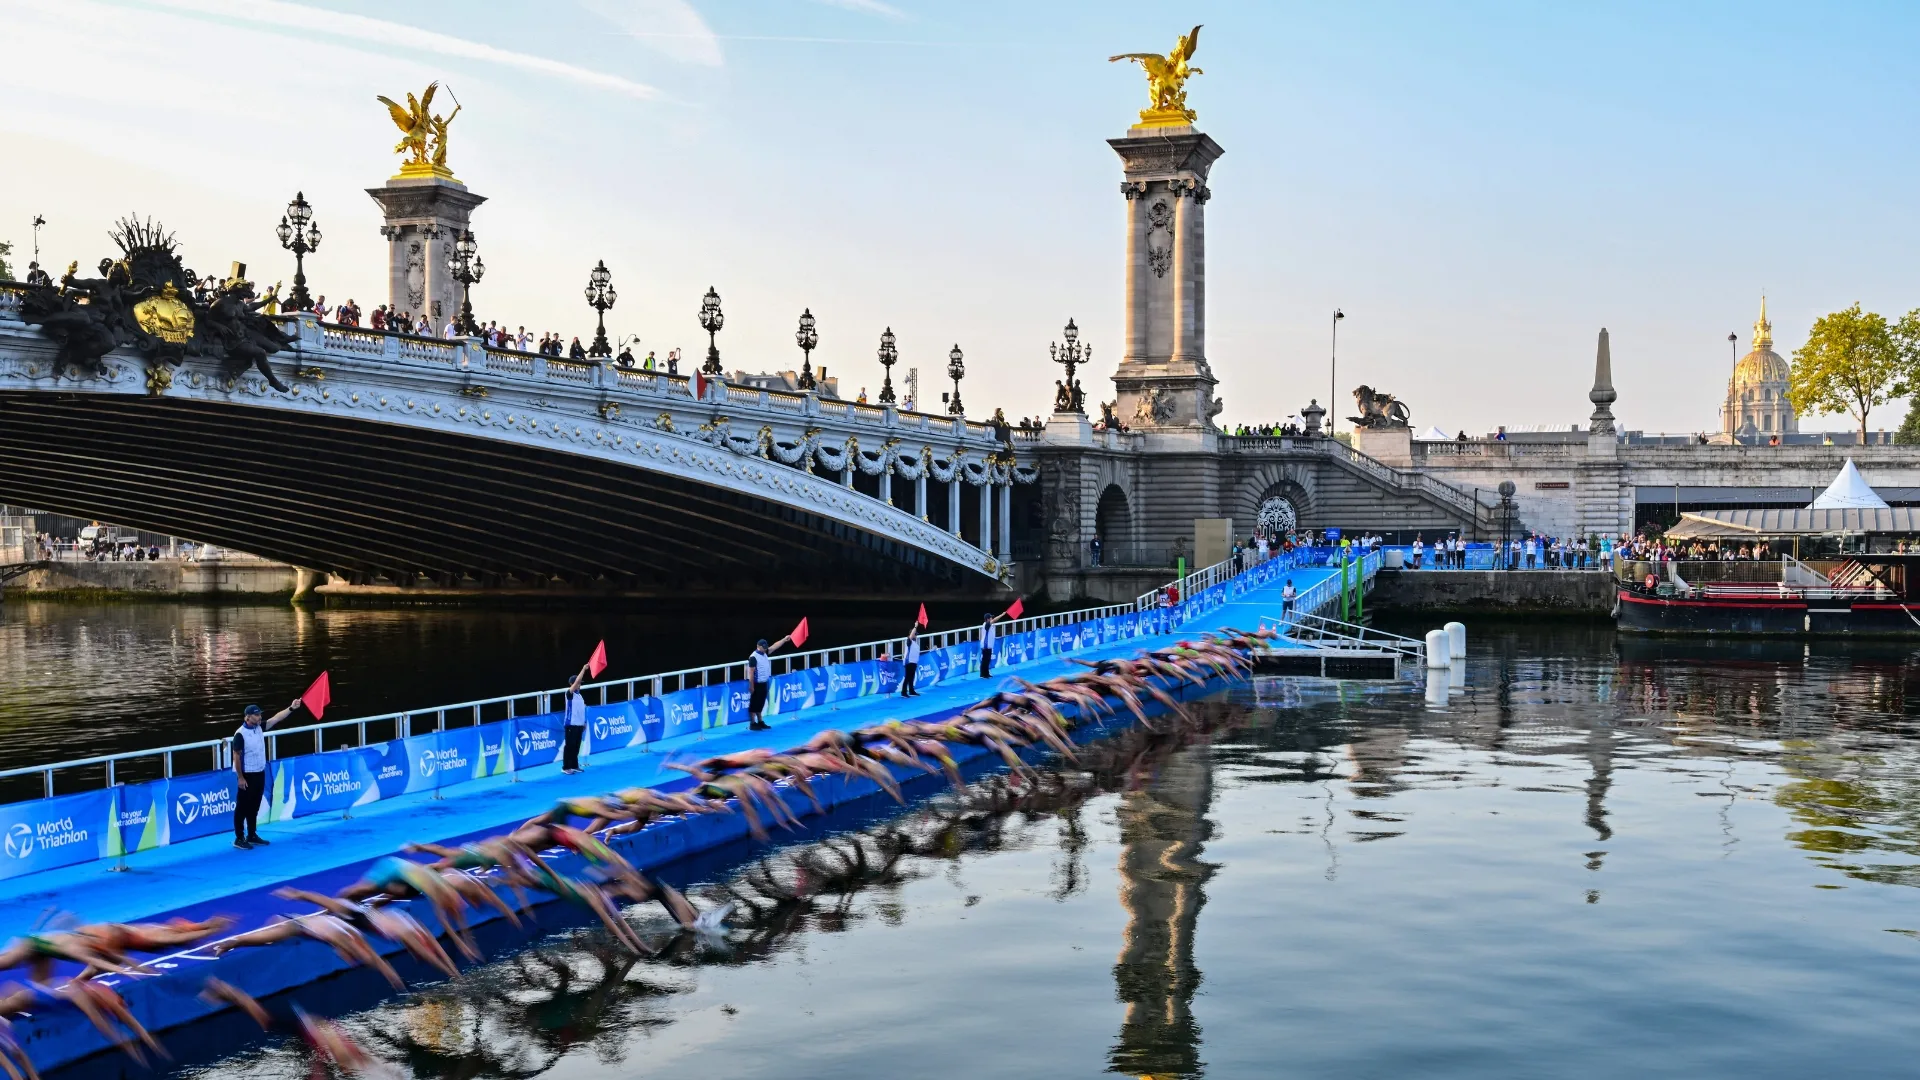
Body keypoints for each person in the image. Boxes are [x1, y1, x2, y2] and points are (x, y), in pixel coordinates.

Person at [234, 697, 302, 849]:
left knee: (255, 806)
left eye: (260, 714)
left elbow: (277, 718)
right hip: (247, 775)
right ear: (248, 717)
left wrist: (291, 708)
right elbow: (236, 756)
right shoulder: (240, 734)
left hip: (259, 772)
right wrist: (240, 777)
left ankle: (252, 834)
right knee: (242, 807)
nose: (260, 717)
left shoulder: (259, 728)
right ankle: (239, 838)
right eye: (256, 715)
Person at [747, 633, 794, 730]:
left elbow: (774, 646)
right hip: (757, 683)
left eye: (765, 647)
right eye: (763, 647)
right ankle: (752, 723)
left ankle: (760, 721)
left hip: (764, 682)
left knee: (761, 703)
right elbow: (751, 672)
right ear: (758, 646)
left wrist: (784, 639)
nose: (765, 649)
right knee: (754, 703)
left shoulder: (764, 653)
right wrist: (751, 686)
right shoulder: (753, 657)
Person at [560, 662, 589, 774]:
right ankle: (566, 767)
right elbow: (576, 681)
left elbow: (581, 710)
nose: (579, 685)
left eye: (580, 683)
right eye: (578, 683)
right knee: (569, 746)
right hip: (571, 724)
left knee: (576, 746)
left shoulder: (580, 695)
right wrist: (583, 669)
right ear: (572, 684)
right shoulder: (569, 693)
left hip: (579, 724)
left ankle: (574, 765)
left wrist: (584, 722)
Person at [900, 622, 922, 698]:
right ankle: (903, 692)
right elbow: (911, 635)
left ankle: (911, 690)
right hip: (908, 662)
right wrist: (915, 627)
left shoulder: (916, 644)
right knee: (907, 677)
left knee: (912, 677)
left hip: (914, 662)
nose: (916, 636)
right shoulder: (909, 641)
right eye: (915, 634)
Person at [978, 610, 1002, 679]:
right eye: (991, 617)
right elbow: (994, 620)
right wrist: (1002, 614)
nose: (992, 618)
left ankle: (986, 673)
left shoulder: (989, 625)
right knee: (985, 660)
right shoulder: (986, 624)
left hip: (989, 645)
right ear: (988, 619)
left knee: (987, 660)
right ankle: (983, 674)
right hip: (986, 645)